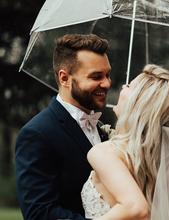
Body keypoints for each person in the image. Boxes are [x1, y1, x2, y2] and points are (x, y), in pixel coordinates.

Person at [81, 64, 169, 219]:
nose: (122, 86)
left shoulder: (104, 153)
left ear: (138, 104)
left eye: (129, 86)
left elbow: (137, 208)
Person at [15, 34, 111, 220]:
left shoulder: (103, 130)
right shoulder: (37, 134)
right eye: (96, 76)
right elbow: (39, 213)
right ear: (65, 78)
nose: (106, 83)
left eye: (107, 74)